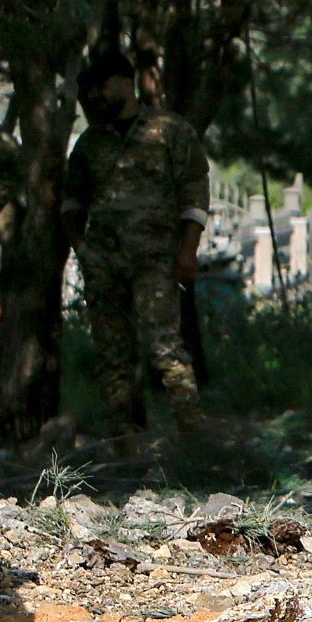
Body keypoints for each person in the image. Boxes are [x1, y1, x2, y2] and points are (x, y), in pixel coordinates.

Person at [63, 47, 209, 441]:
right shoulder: (91, 143)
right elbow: (72, 201)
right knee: (112, 356)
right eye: (91, 90)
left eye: (103, 87)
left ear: (126, 84)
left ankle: (194, 437)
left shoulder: (168, 130)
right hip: (105, 265)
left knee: (165, 348)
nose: (96, 96)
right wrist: (83, 249)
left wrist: (187, 251)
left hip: (156, 262)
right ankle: (121, 444)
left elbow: (195, 192)